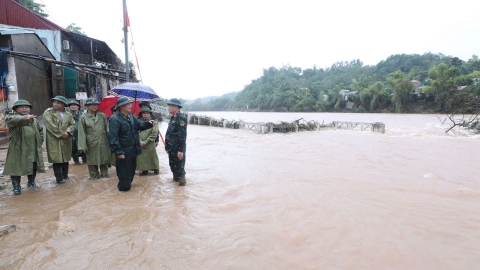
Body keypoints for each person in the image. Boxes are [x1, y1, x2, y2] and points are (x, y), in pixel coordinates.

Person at [109, 97, 155, 191]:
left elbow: (139, 125)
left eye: (130, 104)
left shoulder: (131, 116)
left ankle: (124, 190)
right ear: (121, 106)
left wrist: (148, 123)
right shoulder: (115, 119)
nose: (130, 106)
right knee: (124, 177)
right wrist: (118, 152)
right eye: (127, 104)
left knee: (130, 174)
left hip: (133, 151)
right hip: (123, 152)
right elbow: (113, 138)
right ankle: (122, 195)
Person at [3, 100, 45, 195]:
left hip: (33, 146)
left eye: (26, 107)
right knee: (16, 167)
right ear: (16, 109)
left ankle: (31, 182)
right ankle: (16, 186)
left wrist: (40, 140)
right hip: (18, 148)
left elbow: (41, 130)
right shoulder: (11, 117)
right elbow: (15, 120)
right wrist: (26, 118)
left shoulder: (34, 120)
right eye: (21, 107)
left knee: (33, 164)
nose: (24, 108)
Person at [43, 95, 75, 184]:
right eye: (54, 102)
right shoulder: (48, 112)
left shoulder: (68, 114)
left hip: (66, 139)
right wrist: (61, 134)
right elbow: (50, 125)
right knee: (57, 159)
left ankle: (65, 175)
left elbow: (72, 124)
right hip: (54, 139)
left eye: (58, 103)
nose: (55, 104)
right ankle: (59, 179)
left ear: (63, 104)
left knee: (65, 157)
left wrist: (68, 132)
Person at [77, 98, 110, 179]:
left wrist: (111, 141)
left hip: (103, 140)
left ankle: (104, 175)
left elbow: (107, 129)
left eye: (96, 104)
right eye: (92, 105)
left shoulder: (102, 115)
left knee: (104, 159)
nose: (94, 106)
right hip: (91, 142)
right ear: (87, 106)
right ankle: (94, 176)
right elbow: (81, 132)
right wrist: (83, 146)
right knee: (92, 161)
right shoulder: (83, 117)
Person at [165, 98, 187, 186]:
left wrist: (181, 150)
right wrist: (167, 147)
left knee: (179, 168)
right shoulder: (173, 118)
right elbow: (170, 134)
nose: (168, 108)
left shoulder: (181, 118)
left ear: (176, 107)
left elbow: (182, 136)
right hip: (171, 148)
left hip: (178, 149)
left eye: (170, 106)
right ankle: (176, 191)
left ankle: (182, 188)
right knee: (173, 166)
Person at [136, 107, 160, 175]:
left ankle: (156, 170)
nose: (146, 115)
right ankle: (144, 171)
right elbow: (135, 133)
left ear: (150, 114)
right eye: (144, 113)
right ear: (141, 114)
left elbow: (155, 133)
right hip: (140, 144)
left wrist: (146, 141)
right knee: (142, 158)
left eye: (147, 113)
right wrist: (139, 141)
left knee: (152, 157)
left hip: (150, 143)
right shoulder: (138, 122)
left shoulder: (154, 122)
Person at [68, 100, 86, 164]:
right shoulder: (67, 115)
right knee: (73, 149)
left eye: (74, 105)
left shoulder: (83, 114)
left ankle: (85, 162)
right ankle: (76, 162)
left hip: (81, 134)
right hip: (72, 134)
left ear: (78, 106)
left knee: (83, 148)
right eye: (71, 105)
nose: (73, 107)